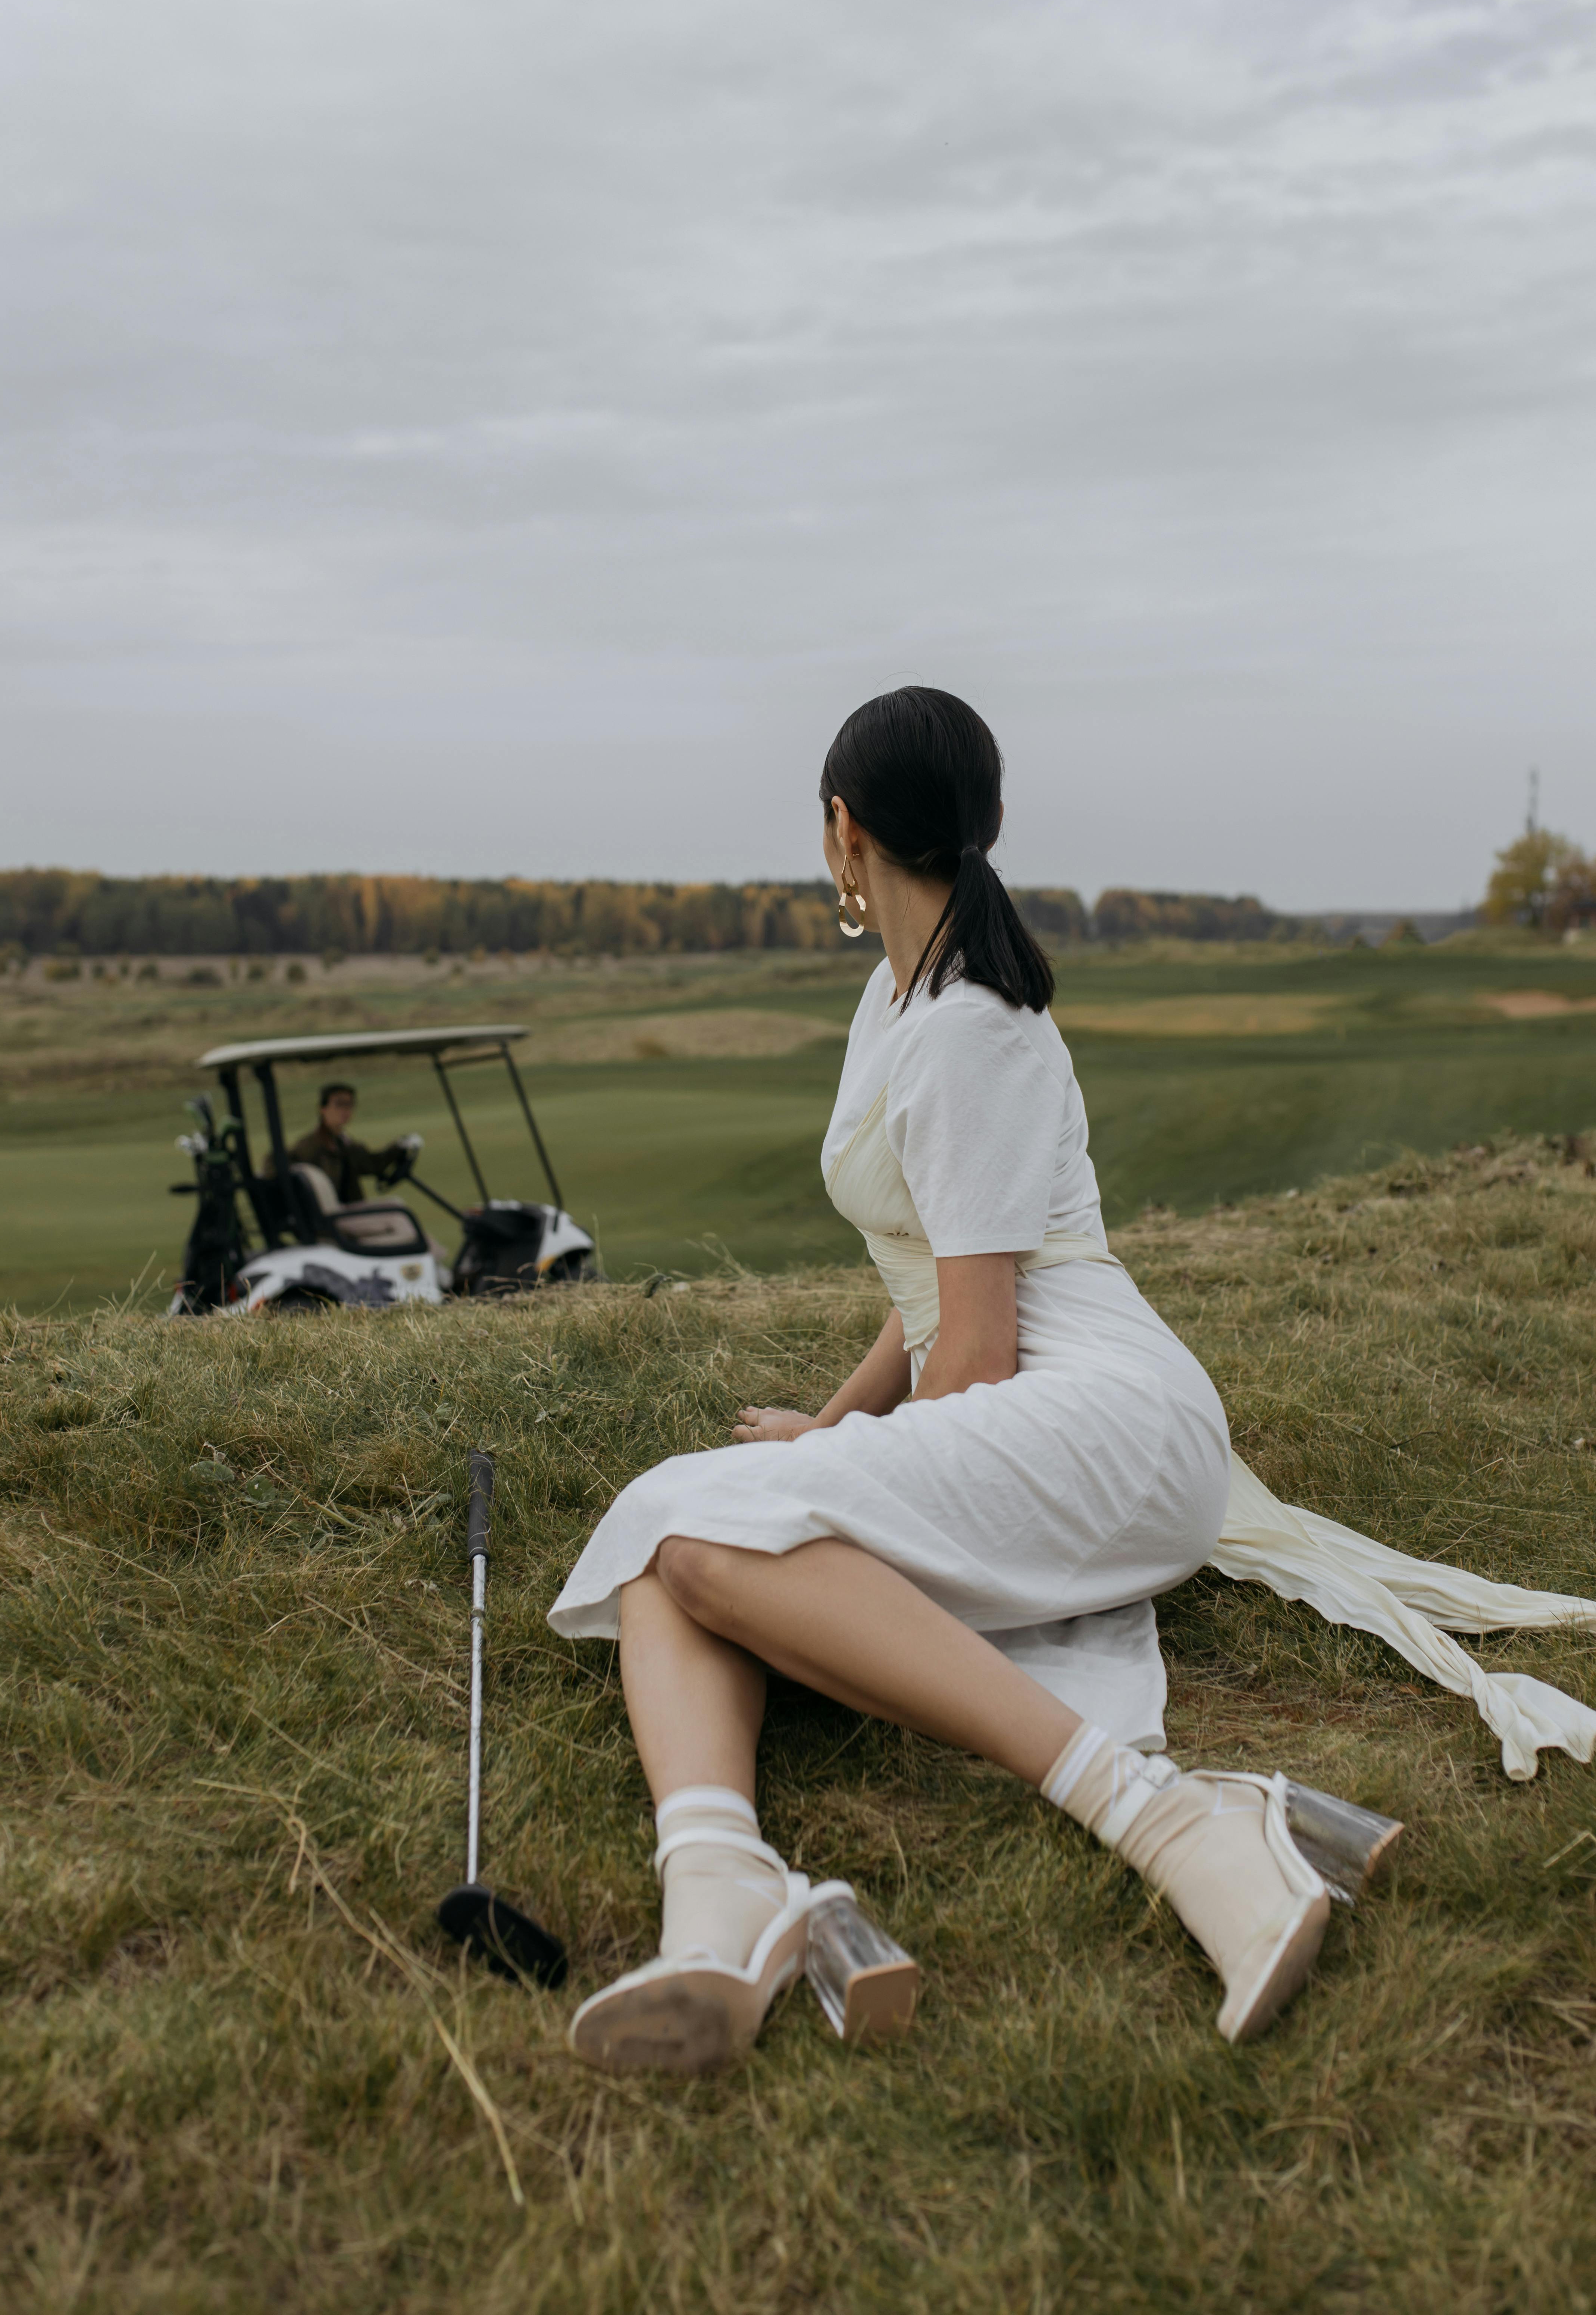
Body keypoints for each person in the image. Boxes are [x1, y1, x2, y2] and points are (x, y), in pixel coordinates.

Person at [548, 688, 1337, 2073]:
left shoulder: (971, 1026)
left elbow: (976, 1340)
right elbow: (922, 1287)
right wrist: (836, 1433)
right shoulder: (898, 994)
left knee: (695, 1529)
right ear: (989, 822)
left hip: (1103, 1413)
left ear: (844, 833)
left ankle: (1172, 1819)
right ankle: (717, 1880)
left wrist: (836, 1473)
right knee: (678, 1539)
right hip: (1030, 1395)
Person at [279, 1082, 407, 1202]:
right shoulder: (313, 1144)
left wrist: (399, 1148)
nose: (346, 1110)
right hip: (334, 1215)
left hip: (347, 1210)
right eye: (340, 1104)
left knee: (395, 1205)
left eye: (350, 1104)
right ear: (323, 1109)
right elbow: (278, 1165)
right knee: (398, 1215)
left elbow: (372, 1164)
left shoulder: (342, 1141)